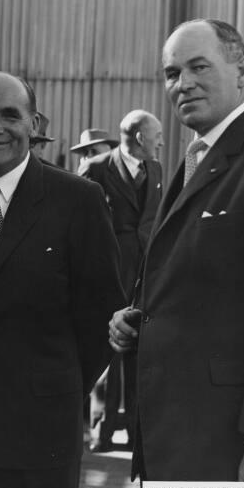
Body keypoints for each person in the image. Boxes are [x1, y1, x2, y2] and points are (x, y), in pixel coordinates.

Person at [109, 19, 244, 482]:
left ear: (242, 71)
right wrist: (139, 317)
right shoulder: (195, 158)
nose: (184, 84)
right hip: (175, 434)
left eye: (199, 67)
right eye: (173, 73)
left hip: (225, 444)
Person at [0, 71, 124, 488]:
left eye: (9, 116)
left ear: (34, 125)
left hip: (40, 433)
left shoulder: (78, 199)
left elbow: (102, 317)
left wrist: (56, 385)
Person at [80, 110, 164, 453]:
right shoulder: (97, 168)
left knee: (139, 350)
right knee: (108, 351)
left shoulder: (156, 169)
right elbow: (80, 224)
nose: (161, 141)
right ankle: (102, 430)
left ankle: (133, 431)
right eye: (156, 135)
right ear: (140, 138)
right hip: (109, 274)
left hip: (146, 275)